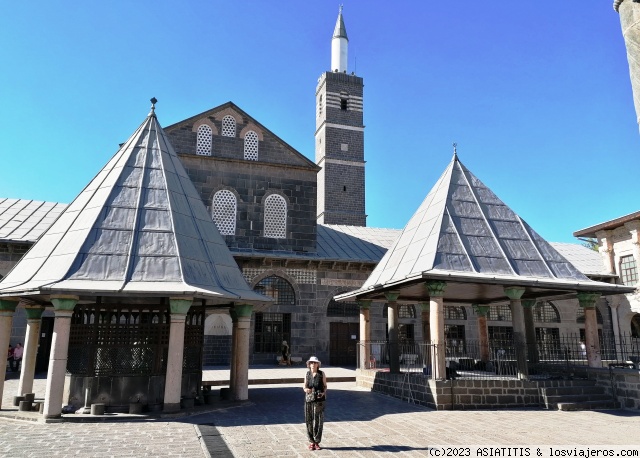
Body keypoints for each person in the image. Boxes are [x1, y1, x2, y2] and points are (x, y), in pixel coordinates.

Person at [303, 356, 327, 451]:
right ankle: (311, 441)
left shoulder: (322, 374)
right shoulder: (307, 374)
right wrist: (306, 390)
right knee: (309, 420)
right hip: (309, 399)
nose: (312, 364)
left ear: (318, 365)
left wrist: (323, 393)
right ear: (309, 365)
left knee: (318, 420)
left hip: (319, 400)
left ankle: (317, 441)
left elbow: (325, 386)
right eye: (311, 363)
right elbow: (304, 387)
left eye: (314, 363)